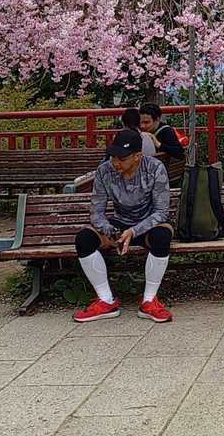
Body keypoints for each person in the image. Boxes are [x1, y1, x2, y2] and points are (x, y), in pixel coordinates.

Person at [71, 127, 173, 324]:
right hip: (119, 223)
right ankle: (105, 300)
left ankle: (149, 300)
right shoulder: (104, 170)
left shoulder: (155, 168)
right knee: (84, 239)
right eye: (113, 157)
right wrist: (109, 230)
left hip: (148, 224)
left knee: (162, 236)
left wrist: (133, 231)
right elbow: (97, 211)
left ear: (137, 156)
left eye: (122, 158)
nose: (116, 162)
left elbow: (161, 212)